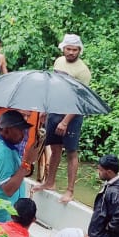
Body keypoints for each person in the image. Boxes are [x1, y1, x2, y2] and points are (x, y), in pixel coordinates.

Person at [40, 34, 92, 203]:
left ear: (79, 51)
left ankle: (70, 190)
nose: (71, 52)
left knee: (71, 151)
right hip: (55, 108)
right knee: (54, 148)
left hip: (72, 113)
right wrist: (45, 108)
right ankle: (50, 182)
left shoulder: (83, 71)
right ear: (63, 48)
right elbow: (52, 86)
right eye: (68, 49)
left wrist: (65, 121)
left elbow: (80, 100)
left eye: (74, 50)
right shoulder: (59, 61)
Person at [0, 109, 45, 221]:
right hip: (1, 216)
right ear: (6, 131)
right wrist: (26, 163)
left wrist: (38, 144)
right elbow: (9, 189)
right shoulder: (3, 153)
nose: (23, 134)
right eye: (20, 130)